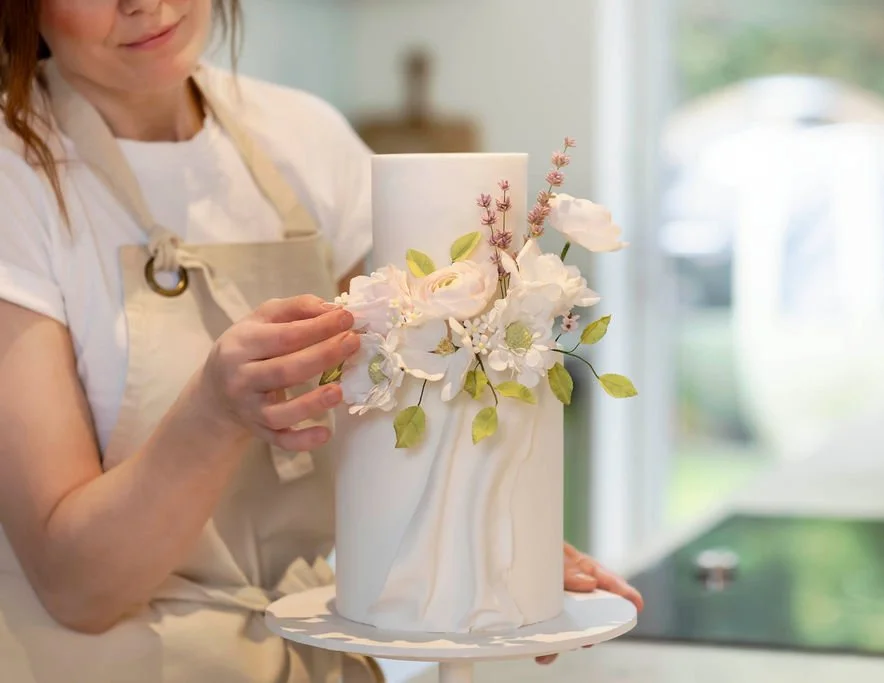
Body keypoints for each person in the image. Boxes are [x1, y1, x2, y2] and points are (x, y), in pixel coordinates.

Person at [0, 1, 644, 681]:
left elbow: (398, 415)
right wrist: (213, 414)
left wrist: (495, 555)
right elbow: (76, 587)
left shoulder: (304, 139)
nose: (144, 2)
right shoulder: (17, 180)